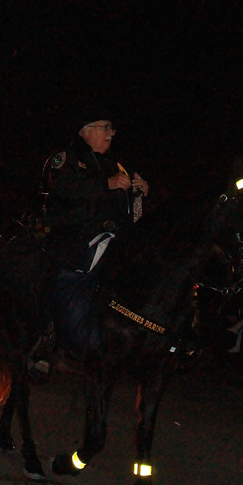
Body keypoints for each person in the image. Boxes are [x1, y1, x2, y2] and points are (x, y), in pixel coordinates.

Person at [40, 107, 148, 354]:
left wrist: (139, 192)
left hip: (112, 236)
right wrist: (105, 184)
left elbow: (129, 209)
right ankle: (51, 333)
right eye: (105, 127)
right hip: (73, 233)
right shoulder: (65, 158)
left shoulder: (116, 165)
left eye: (112, 128)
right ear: (86, 131)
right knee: (68, 276)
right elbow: (62, 189)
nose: (111, 133)